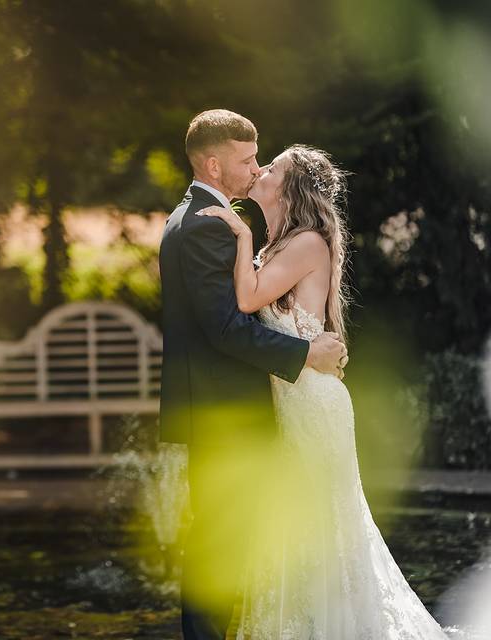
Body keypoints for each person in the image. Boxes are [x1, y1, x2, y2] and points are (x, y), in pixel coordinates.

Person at [198, 143, 449, 639]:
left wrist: (241, 233)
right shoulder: (280, 247)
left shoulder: (307, 242)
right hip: (295, 402)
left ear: (289, 190)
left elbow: (247, 300)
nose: (262, 170)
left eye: (274, 168)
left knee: (323, 526)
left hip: (314, 406)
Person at [158, 109, 347, 640]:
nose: (255, 168)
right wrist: (305, 355)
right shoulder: (204, 227)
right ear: (214, 166)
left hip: (224, 411)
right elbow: (225, 329)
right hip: (225, 416)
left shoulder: (198, 219)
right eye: (246, 160)